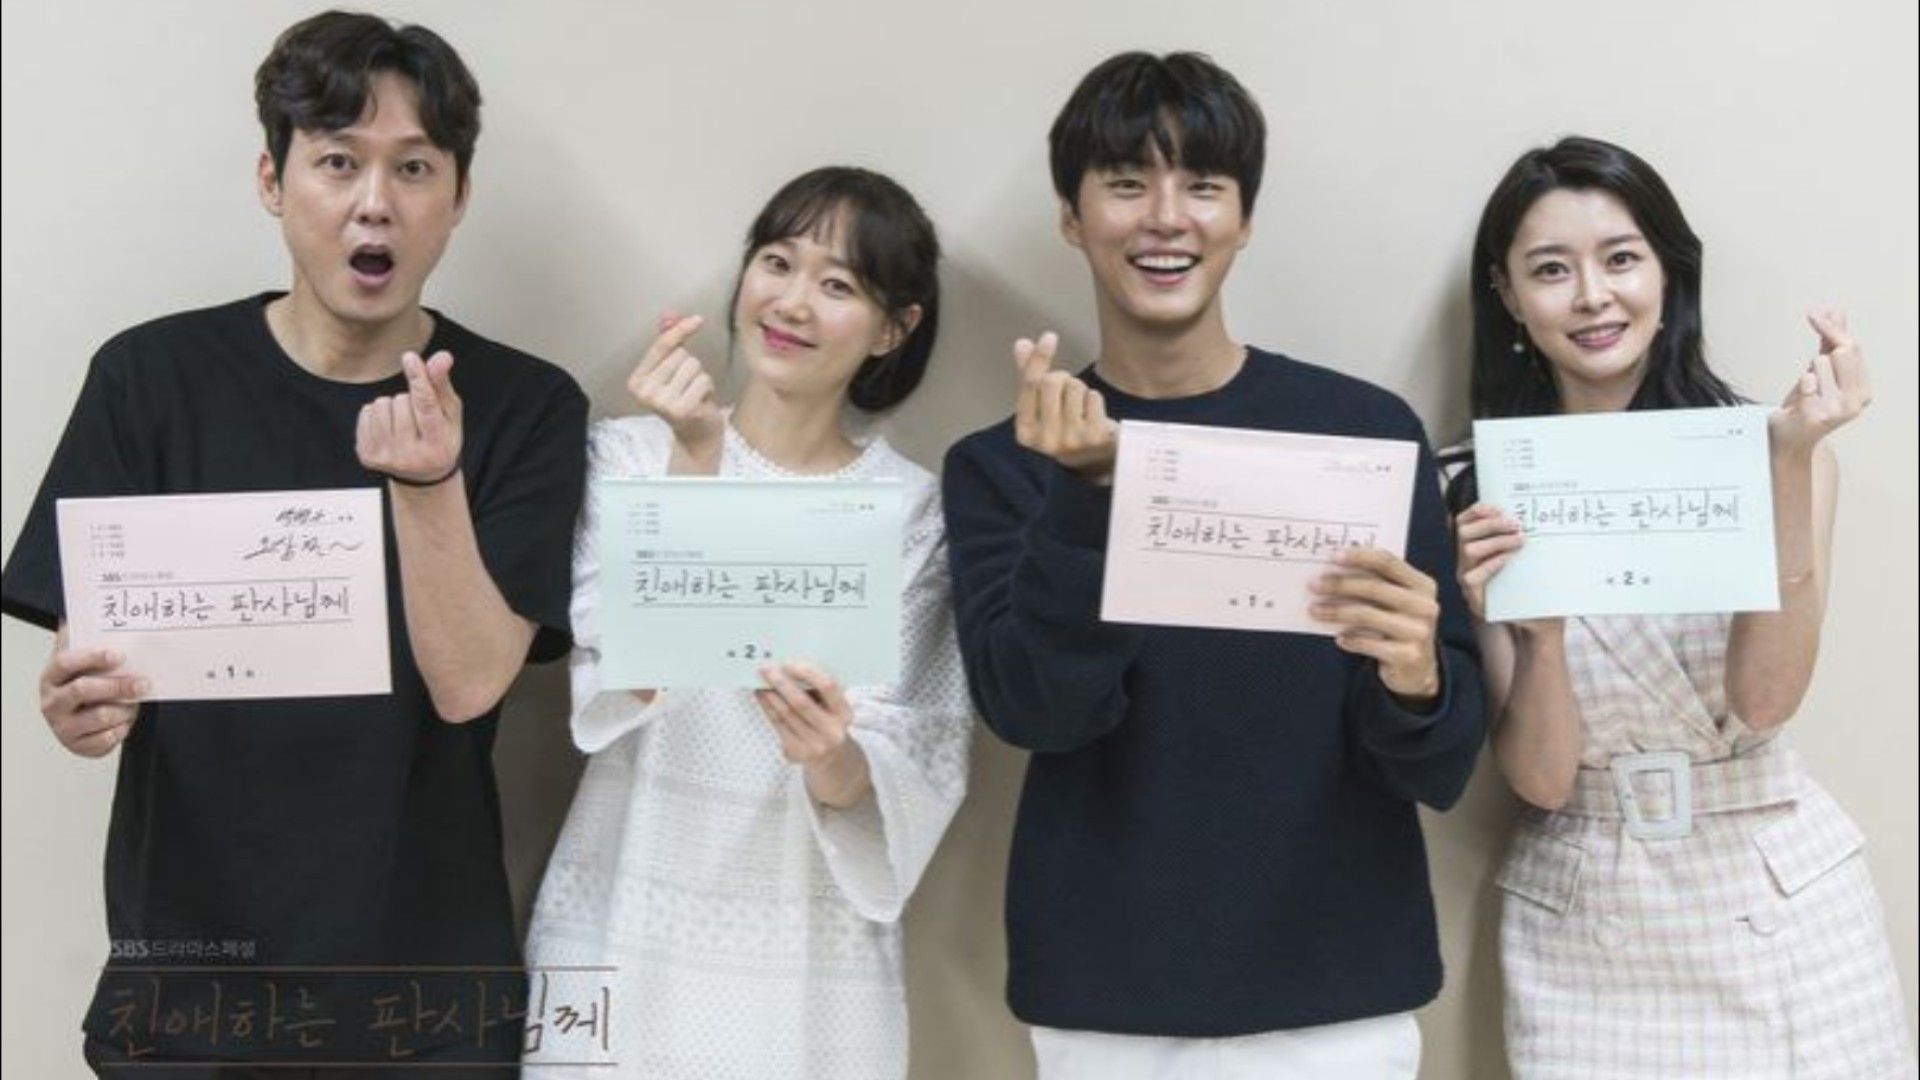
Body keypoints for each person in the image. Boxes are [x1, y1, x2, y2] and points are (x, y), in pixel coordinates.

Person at [0, 11, 586, 1075]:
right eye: (338, 161)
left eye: (415, 167)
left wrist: (428, 481)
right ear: (274, 180)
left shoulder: (526, 406)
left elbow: (469, 685)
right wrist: (78, 706)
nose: (375, 201)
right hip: (190, 979)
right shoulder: (149, 379)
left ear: (459, 196)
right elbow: (91, 648)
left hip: (423, 992)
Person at [940, 52, 1484, 1078]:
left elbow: (1439, 766)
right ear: (1072, 217)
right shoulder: (1005, 463)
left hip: (1340, 988)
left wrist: (1419, 676)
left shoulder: (1362, 433)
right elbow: (1038, 714)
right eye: (1125, 182)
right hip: (1106, 998)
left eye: (1203, 185)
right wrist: (1087, 495)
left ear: (1243, 218)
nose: (1165, 218)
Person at [1447, 135, 1917, 1080]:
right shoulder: (1470, 488)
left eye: (1621, 259)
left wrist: (1787, 462)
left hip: (1777, 891)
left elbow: (1767, 701)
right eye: (1552, 269)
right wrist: (1541, 637)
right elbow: (1541, 780)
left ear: (1669, 272)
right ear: (1508, 294)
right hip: (1586, 909)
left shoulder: (1776, 448)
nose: (1593, 296)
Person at [522, 166, 971, 1080]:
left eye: (838, 285)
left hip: (807, 958)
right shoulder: (631, 454)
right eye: (777, 261)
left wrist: (832, 754)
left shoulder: (914, 512)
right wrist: (696, 460)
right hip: (620, 913)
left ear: (894, 328)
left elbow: (919, 752)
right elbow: (615, 681)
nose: (792, 302)